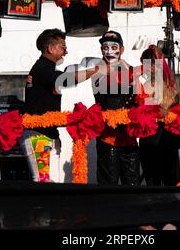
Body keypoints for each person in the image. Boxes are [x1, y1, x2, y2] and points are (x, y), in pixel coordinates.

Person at [22, 28, 100, 182]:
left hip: (49, 135)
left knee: (54, 183)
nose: (66, 52)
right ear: (50, 48)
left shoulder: (47, 69)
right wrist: (95, 70)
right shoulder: (42, 68)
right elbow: (67, 79)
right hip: (37, 135)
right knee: (43, 181)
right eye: (63, 48)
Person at [92, 30, 140, 185]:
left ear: (122, 50)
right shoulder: (98, 72)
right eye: (105, 48)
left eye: (114, 47)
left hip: (129, 139)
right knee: (108, 184)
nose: (109, 51)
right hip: (108, 138)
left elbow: (140, 98)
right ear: (101, 51)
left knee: (132, 183)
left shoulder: (130, 71)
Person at [137, 45, 180, 186]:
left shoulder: (171, 86)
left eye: (150, 64)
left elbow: (176, 109)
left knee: (170, 179)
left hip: (167, 136)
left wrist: (167, 111)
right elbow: (141, 105)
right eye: (144, 63)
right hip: (149, 136)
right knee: (151, 179)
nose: (147, 68)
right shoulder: (140, 83)